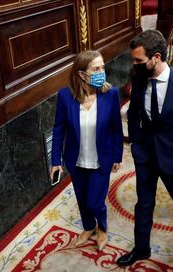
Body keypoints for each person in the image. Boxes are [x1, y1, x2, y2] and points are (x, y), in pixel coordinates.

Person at [116, 30, 173, 266]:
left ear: (156, 57)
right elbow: (134, 112)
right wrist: (135, 141)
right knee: (144, 203)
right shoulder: (138, 78)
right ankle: (141, 249)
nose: (134, 64)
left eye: (138, 60)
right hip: (145, 153)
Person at [50, 50, 123, 250]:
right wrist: (55, 161)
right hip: (76, 160)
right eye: (96, 69)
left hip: (102, 159)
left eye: (103, 68)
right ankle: (88, 227)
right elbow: (59, 130)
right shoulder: (66, 96)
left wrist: (118, 155)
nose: (102, 72)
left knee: (94, 202)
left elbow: (117, 128)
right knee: (82, 199)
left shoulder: (111, 94)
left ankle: (103, 229)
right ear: (82, 74)